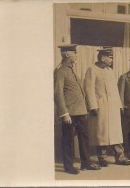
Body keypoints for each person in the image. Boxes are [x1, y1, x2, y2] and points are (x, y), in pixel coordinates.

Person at [54, 44, 100, 174]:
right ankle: (68, 166)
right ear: (68, 55)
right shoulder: (61, 70)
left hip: (80, 111)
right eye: (75, 53)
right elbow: (58, 94)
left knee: (84, 138)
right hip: (69, 113)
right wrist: (64, 113)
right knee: (67, 140)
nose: (77, 55)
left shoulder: (71, 69)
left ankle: (86, 163)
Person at [84, 47, 130, 167]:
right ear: (102, 57)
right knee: (101, 133)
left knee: (116, 133)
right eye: (110, 57)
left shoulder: (110, 71)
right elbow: (89, 89)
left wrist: (119, 105)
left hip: (113, 107)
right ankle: (102, 158)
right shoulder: (92, 69)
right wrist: (93, 106)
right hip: (101, 107)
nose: (112, 59)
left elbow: (115, 90)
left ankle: (120, 157)